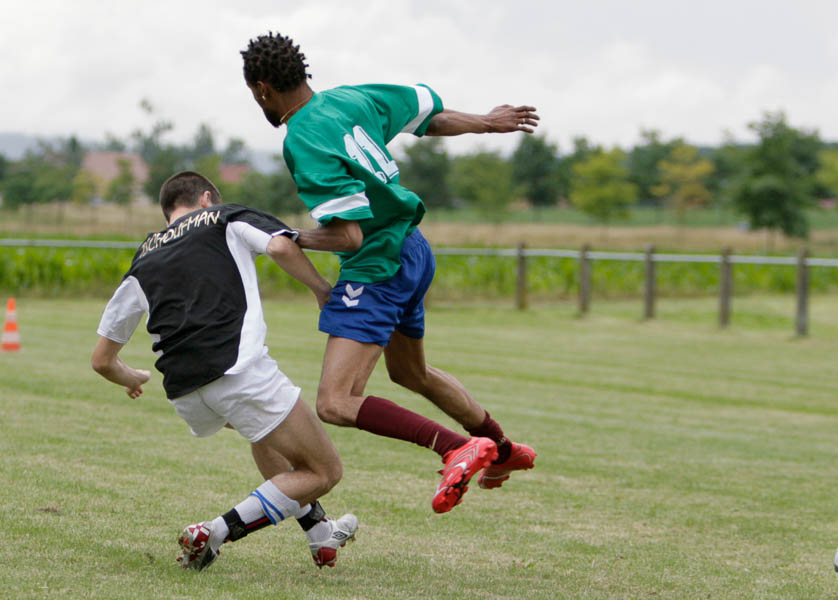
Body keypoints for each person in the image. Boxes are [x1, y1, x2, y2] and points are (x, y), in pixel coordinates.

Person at [240, 32, 538, 514]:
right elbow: (429, 116)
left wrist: (287, 239)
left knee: (335, 402)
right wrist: (485, 122)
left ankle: (454, 447)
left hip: (376, 264)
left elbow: (348, 236)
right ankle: (501, 449)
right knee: (410, 372)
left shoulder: (302, 139)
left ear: (262, 90)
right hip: (413, 249)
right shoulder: (351, 98)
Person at [90, 171, 358, 571]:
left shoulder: (145, 255)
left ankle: (319, 532)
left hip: (184, 391)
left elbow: (102, 359)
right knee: (324, 470)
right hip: (237, 371)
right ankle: (214, 531)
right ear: (206, 198)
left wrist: (131, 377)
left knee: (263, 436)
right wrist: (321, 289)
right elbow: (281, 247)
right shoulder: (224, 217)